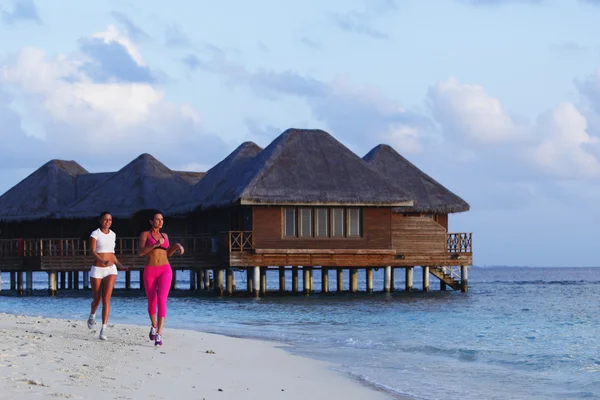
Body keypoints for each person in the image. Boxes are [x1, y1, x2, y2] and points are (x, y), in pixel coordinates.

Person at [138, 210, 184, 347]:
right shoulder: (145, 234)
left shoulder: (165, 235)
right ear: (151, 221)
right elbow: (140, 252)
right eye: (157, 219)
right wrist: (154, 244)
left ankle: (159, 333)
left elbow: (168, 253)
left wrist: (176, 246)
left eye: (162, 219)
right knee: (152, 300)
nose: (160, 221)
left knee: (162, 300)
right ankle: (153, 325)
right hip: (150, 270)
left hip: (165, 269)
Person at [87, 211, 127, 340]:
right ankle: (92, 314)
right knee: (97, 300)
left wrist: (120, 265)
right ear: (100, 220)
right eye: (105, 219)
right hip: (97, 269)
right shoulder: (95, 234)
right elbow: (92, 251)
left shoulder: (113, 235)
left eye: (110, 220)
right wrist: (103, 261)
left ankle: (103, 329)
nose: (108, 222)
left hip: (111, 270)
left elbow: (111, 254)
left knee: (106, 298)